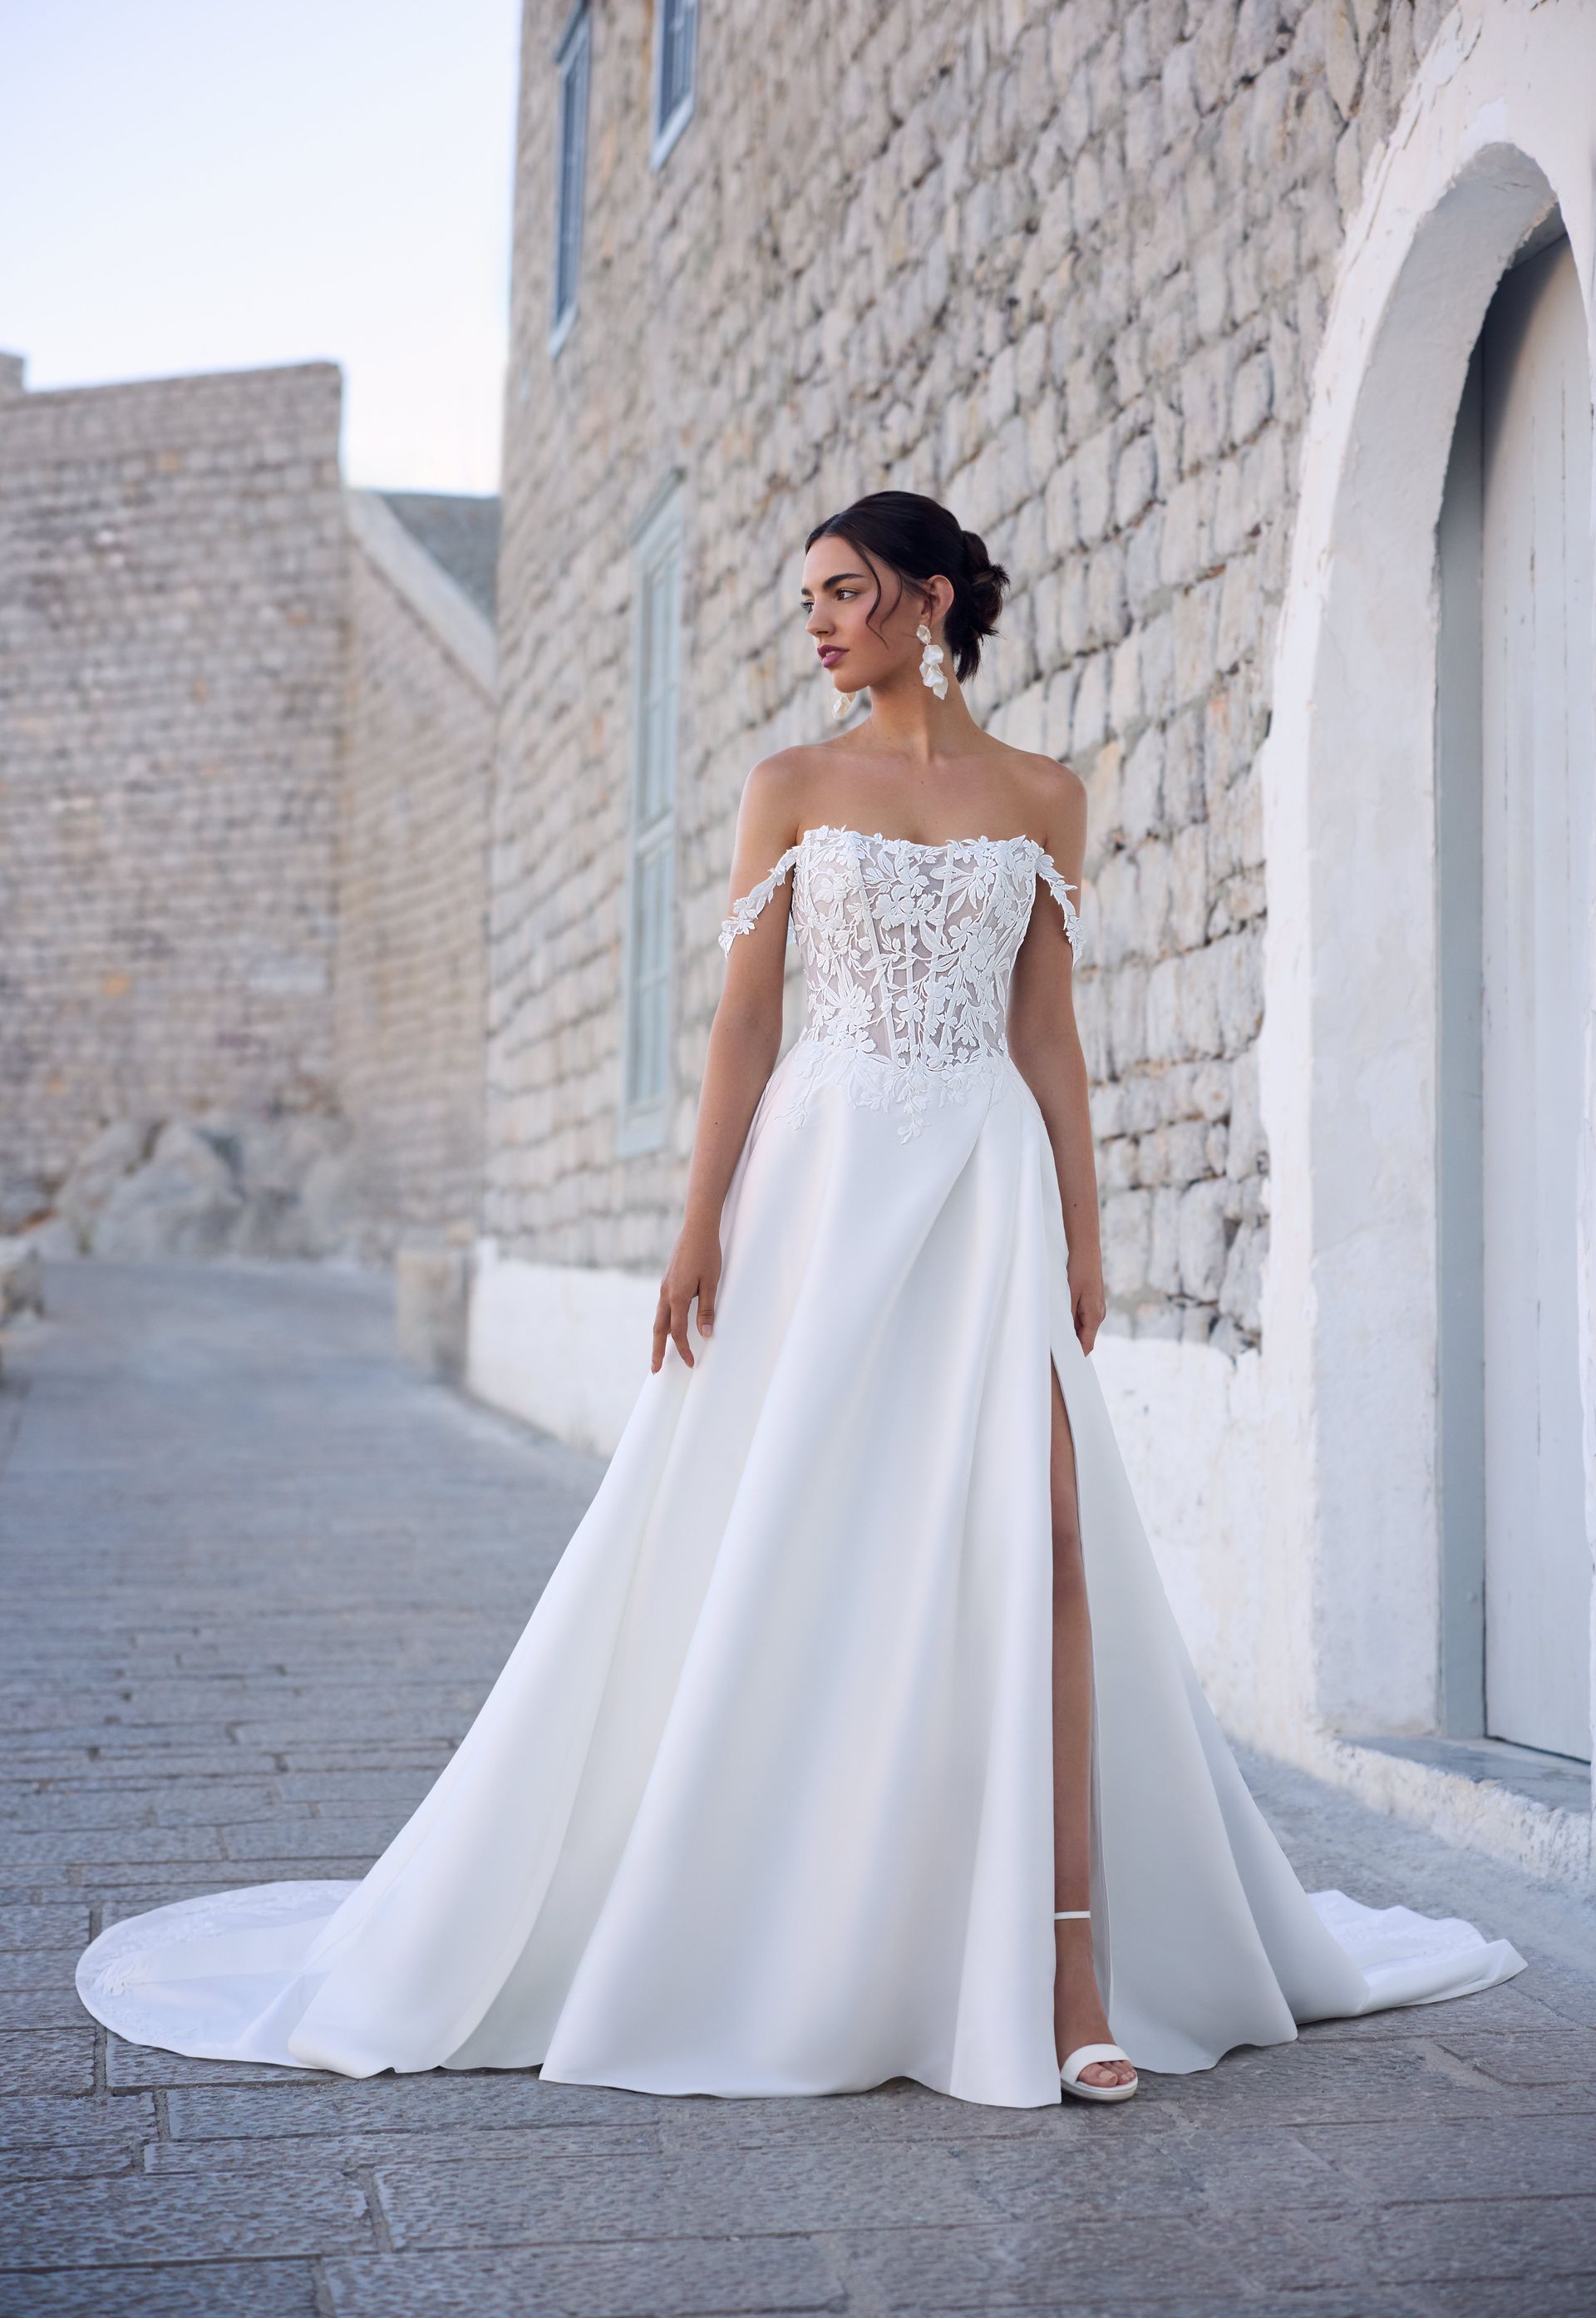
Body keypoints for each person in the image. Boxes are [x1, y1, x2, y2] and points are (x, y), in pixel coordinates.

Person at [77, 491, 1523, 2108]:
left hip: (981, 1186)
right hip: (824, 1186)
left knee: (1042, 1548)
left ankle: (1063, 1975)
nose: (819, 625)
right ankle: (792, 1918)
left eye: (843, 595)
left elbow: (1048, 1036)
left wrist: (1087, 1232)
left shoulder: (1045, 797)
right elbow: (746, 1032)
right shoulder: (789, 786)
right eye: (808, 602)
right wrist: (698, 1230)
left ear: (927, 603)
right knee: (791, 1528)